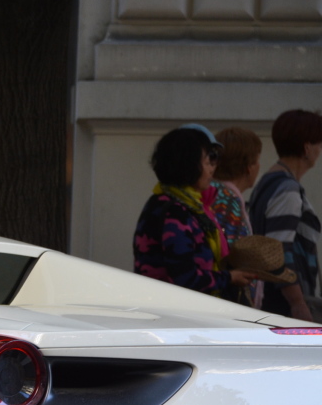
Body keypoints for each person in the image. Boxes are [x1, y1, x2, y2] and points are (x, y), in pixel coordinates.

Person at [132, 124, 253, 298]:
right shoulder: (173, 212)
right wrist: (229, 278)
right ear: (189, 164)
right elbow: (184, 277)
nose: (213, 167)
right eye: (209, 160)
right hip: (174, 315)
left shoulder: (183, 204)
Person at [247, 109, 322, 322]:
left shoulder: (267, 182)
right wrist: (297, 303)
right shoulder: (287, 189)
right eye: (319, 144)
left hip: (273, 298)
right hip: (284, 305)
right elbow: (280, 249)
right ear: (307, 148)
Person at [210, 126, 262, 306]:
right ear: (248, 167)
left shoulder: (216, 192)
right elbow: (236, 255)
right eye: (257, 161)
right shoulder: (228, 200)